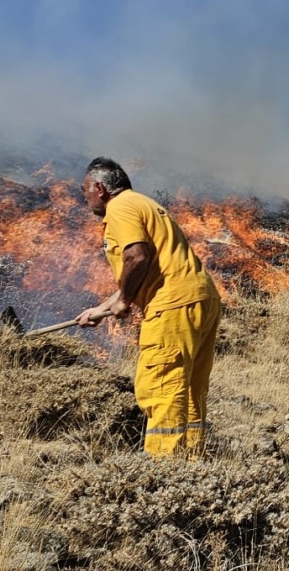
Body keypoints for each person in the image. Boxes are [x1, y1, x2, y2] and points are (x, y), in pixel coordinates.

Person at [76, 157, 221, 457]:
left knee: (161, 386)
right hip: (199, 298)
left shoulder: (120, 208)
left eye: (85, 190)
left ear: (100, 188)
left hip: (171, 305)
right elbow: (146, 270)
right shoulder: (144, 204)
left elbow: (137, 257)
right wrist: (100, 311)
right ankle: (191, 465)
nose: (84, 197)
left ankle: (163, 468)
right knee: (189, 388)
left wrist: (125, 301)